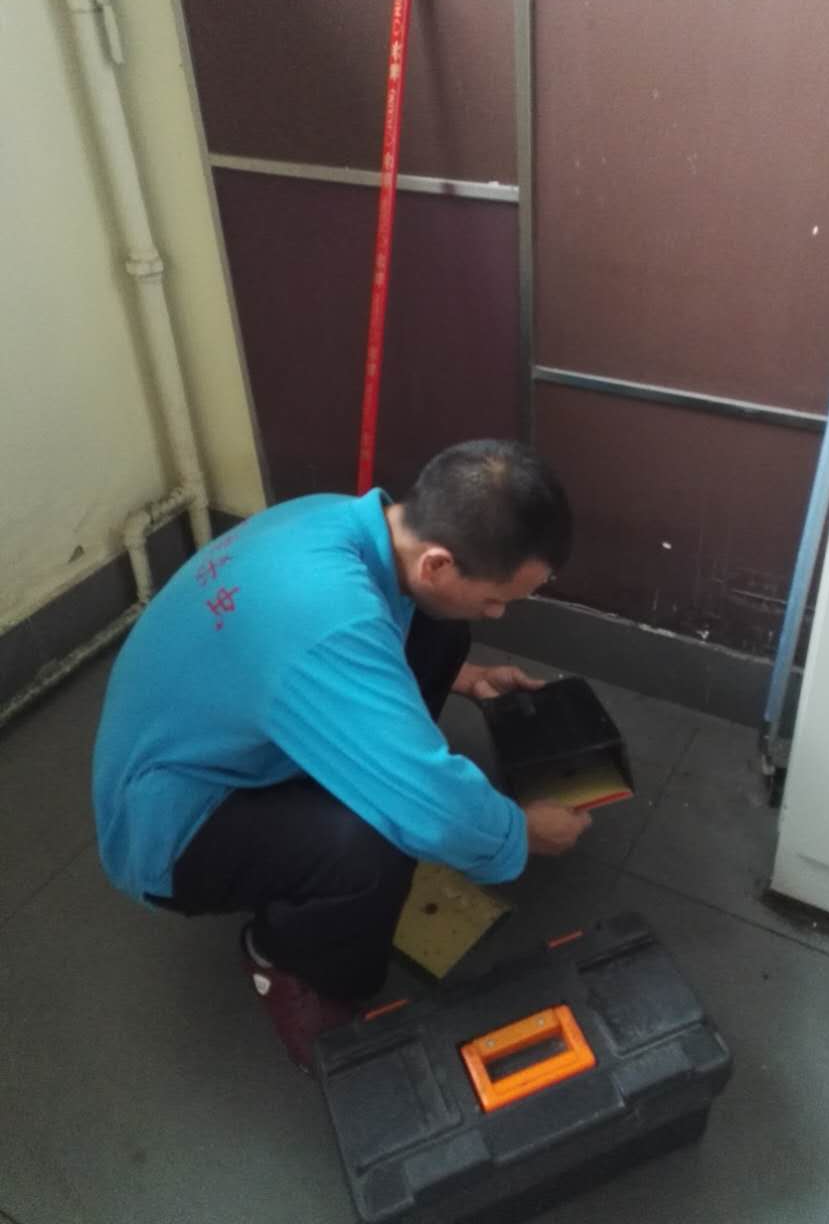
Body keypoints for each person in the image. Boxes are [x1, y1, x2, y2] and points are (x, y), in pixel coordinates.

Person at [93, 439, 591, 1070]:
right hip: (167, 823)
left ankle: (343, 797)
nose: (499, 613)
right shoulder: (328, 622)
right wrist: (522, 833)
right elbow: (432, 811)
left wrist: (464, 678)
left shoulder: (341, 519)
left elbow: (347, 641)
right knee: (374, 846)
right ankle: (285, 962)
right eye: (499, 597)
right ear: (437, 562)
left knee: (440, 632)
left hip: (216, 731)